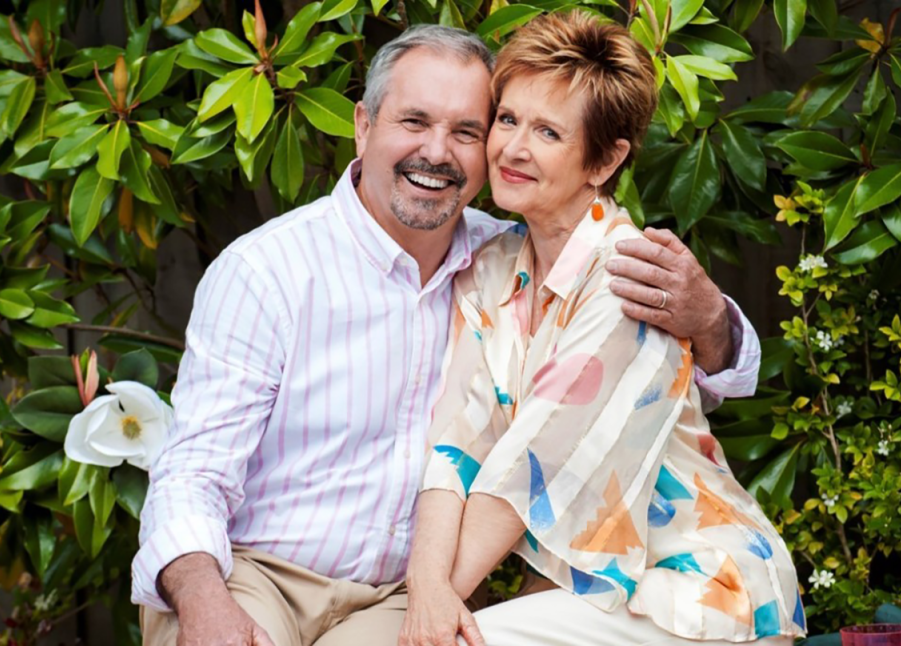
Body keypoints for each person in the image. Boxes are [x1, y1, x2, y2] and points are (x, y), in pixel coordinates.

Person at [132, 22, 762, 646]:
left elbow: (563, 445)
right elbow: (197, 470)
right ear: (362, 124)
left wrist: (710, 320)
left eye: (467, 130)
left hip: (436, 595)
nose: (439, 151)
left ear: (602, 158)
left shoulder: (551, 263)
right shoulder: (276, 271)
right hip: (255, 573)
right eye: (414, 121)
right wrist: (201, 596)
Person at [401, 12, 803, 646]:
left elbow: (528, 470)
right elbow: (456, 446)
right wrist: (422, 590)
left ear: (605, 159)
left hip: (702, 589)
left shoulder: (628, 276)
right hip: (603, 594)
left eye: (548, 132)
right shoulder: (490, 268)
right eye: (508, 119)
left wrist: (427, 616)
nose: (513, 148)